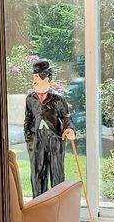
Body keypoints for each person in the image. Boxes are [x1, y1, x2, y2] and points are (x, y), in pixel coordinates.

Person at [24, 59, 76, 196]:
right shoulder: (30, 98)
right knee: (37, 173)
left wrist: (69, 129)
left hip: (55, 140)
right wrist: (29, 138)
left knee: (57, 172)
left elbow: (66, 116)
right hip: (37, 140)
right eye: (34, 77)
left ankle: (58, 202)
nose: (34, 81)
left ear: (46, 78)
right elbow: (28, 118)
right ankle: (39, 203)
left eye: (36, 77)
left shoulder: (57, 98)